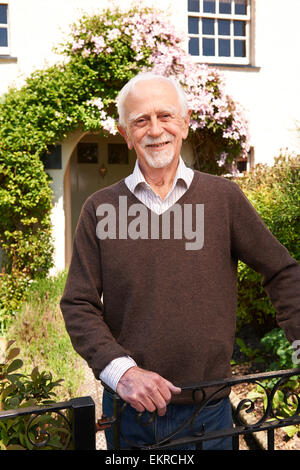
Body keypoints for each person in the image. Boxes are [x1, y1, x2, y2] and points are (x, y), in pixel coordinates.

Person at [60, 72, 300, 450]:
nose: (155, 130)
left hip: (211, 415)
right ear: (126, 134)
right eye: (140, 120)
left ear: (185, 124)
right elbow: (78, 304)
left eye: (166, 116)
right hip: (131, 416)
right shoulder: (100, 209)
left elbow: (282, 271)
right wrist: (122, 373)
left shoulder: (223, 199)